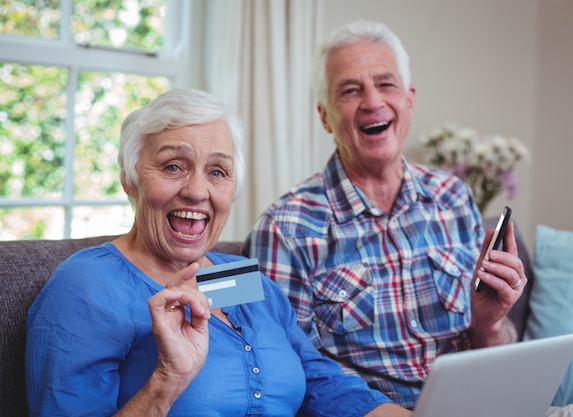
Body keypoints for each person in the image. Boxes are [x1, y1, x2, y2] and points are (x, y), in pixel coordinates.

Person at [25, 88, 411, 417]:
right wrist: (168, 378)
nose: (197, 190)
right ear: (130, 177)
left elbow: (321, 382)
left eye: (217, 172)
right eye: (173, 166)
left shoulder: (240, 278)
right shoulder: (86, 287)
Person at [243, 20, 527, 409]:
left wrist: (490, 324)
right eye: (350, 89)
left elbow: (493, 348)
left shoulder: (454, 197)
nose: (373, 101)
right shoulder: (284, 230)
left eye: (386, 84)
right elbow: (288, 374)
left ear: (409, 100)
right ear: (324, 116)